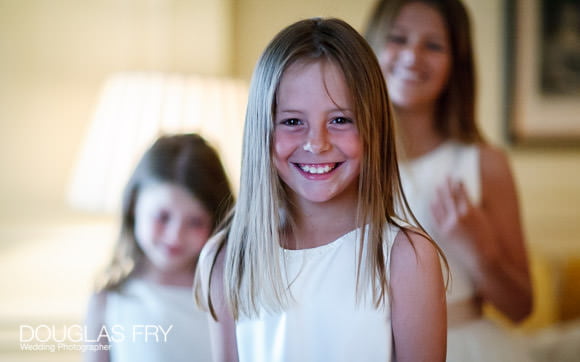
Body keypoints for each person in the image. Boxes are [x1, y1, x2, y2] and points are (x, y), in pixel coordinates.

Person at [194, 17, 447, 362]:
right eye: (293, 122)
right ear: (262, 131)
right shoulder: (226, 258)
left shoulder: (406, 258)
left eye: (340, 120)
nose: (317, 143)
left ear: (373, 127)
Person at [365, 0, 533, 361]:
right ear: (370, 46)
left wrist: (479, 250)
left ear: (457, 64)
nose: (412, 56)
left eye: (434, 45)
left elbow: (521, 308)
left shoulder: (484, 165)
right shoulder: (343, 161)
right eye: (398, 38)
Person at [84, 133, 234, 362]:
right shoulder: (107, 301)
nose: (175, 236)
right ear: (135, 205)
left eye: (195, 222)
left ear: (216, 221)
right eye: (162, 217)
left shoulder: (227, 297)